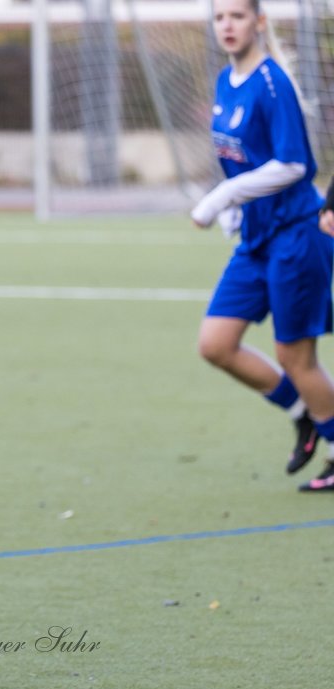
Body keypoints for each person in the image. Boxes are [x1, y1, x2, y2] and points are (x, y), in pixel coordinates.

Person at [191, 0, 334, 493]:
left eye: (237, 15)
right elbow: (242, 162)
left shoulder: (272, 83)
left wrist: (224, 196)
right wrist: (235, 208)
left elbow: (294, 165)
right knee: (215, 344)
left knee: (297, 357)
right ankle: (304, 415)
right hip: (257, 238)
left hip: (297, 235)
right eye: (219, 17)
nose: (227, 25)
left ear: (259, 21)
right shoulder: (223, 83)